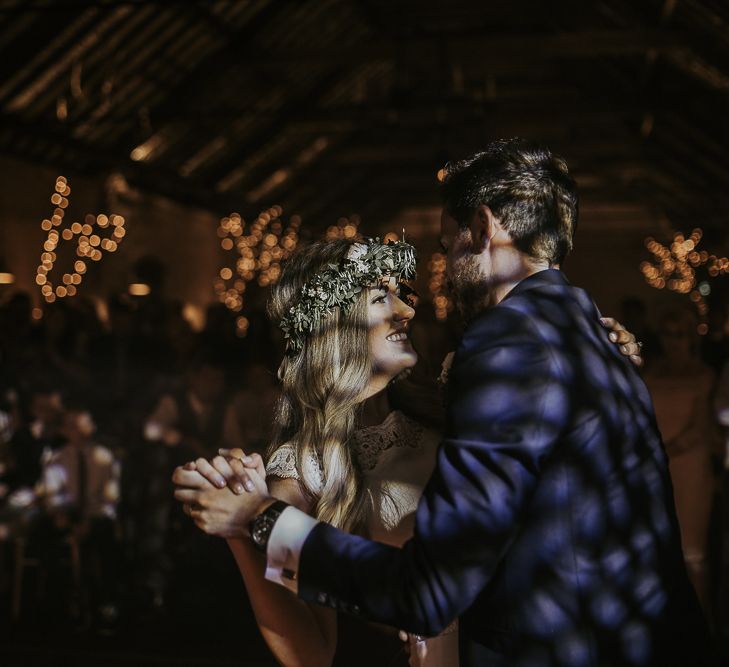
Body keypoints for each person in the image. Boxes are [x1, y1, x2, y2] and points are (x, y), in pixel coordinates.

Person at [173, 164, 649, 667]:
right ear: (335, 329)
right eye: (382, 298)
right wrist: (246, 534)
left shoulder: (456, 396)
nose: (407, 310)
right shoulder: (304, 465)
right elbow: (311, 654)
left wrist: (595, 352)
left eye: (402, 294)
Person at [644, 309, 721, 616]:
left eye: (678, 334)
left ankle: (703, 629)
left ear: (689, 336)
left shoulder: (702, 374)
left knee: (692, 554)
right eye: (666, 333)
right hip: (656, 466)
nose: (672, 341)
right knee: (659, 553)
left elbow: (700, 427)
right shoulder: (653, 371)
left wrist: (665, 450)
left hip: (688, 468)